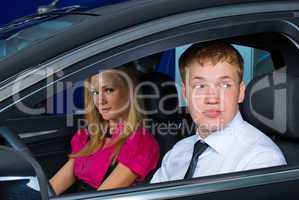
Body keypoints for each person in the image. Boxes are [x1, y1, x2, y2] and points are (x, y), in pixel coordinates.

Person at [151, 42, 286, 183]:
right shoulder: (177, 152)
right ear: (185, 93)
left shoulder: (261, 160)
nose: (212, 98)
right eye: (200, 86)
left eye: (225, 85)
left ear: (240, 92)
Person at [50, 65, 160, 195]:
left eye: (108, 90)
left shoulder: (141, 141)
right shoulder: (89, 134)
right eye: (95, 93)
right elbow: (52, 188)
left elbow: (102, 197)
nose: (100, 101)